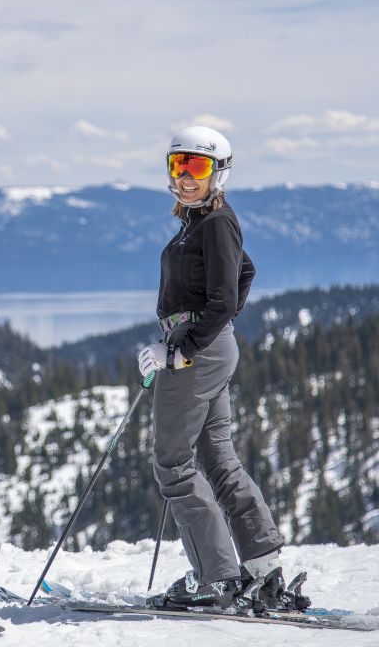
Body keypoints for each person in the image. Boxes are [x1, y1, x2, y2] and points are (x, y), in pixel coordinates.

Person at [137, 125, 290, 611]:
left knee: (173, 464)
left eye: (197, 166)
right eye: (177, 165)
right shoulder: (200, 222)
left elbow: (223, 297)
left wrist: (182, 348)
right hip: (207, 347)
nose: (185, 176)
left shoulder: (216, 222)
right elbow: (244, 273)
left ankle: (216, 578)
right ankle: (261, 567)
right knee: (217, 458)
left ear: (218, 172)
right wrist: (191, 336)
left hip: (197, 353)